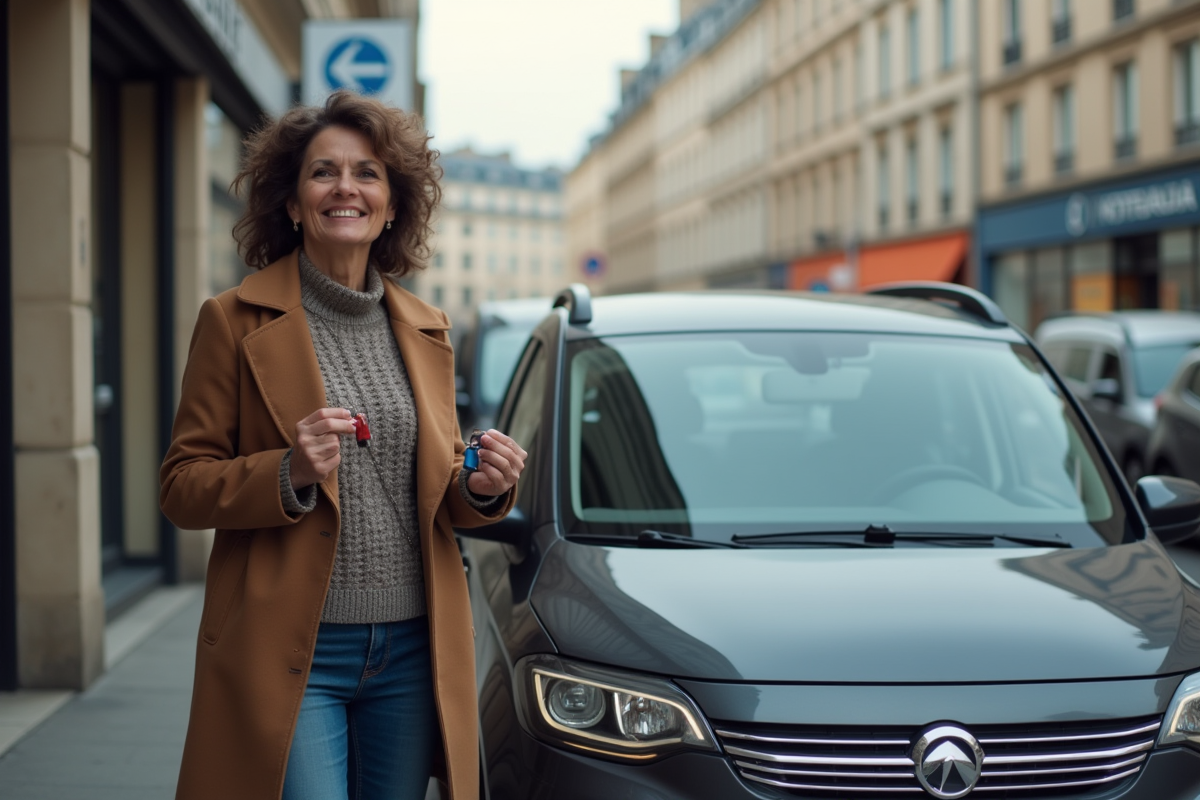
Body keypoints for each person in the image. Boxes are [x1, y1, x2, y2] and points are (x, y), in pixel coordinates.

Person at [160, 90, 526, 800]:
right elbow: (181, 486)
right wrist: (287, 472)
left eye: (368, 173)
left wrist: (479, 486)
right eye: (323, 172)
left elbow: (437, 486)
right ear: (293, 203)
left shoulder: (427, 326)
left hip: (414, 646)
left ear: (392, 204)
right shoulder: (233, 321)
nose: (345, 188)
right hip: (294, 645)